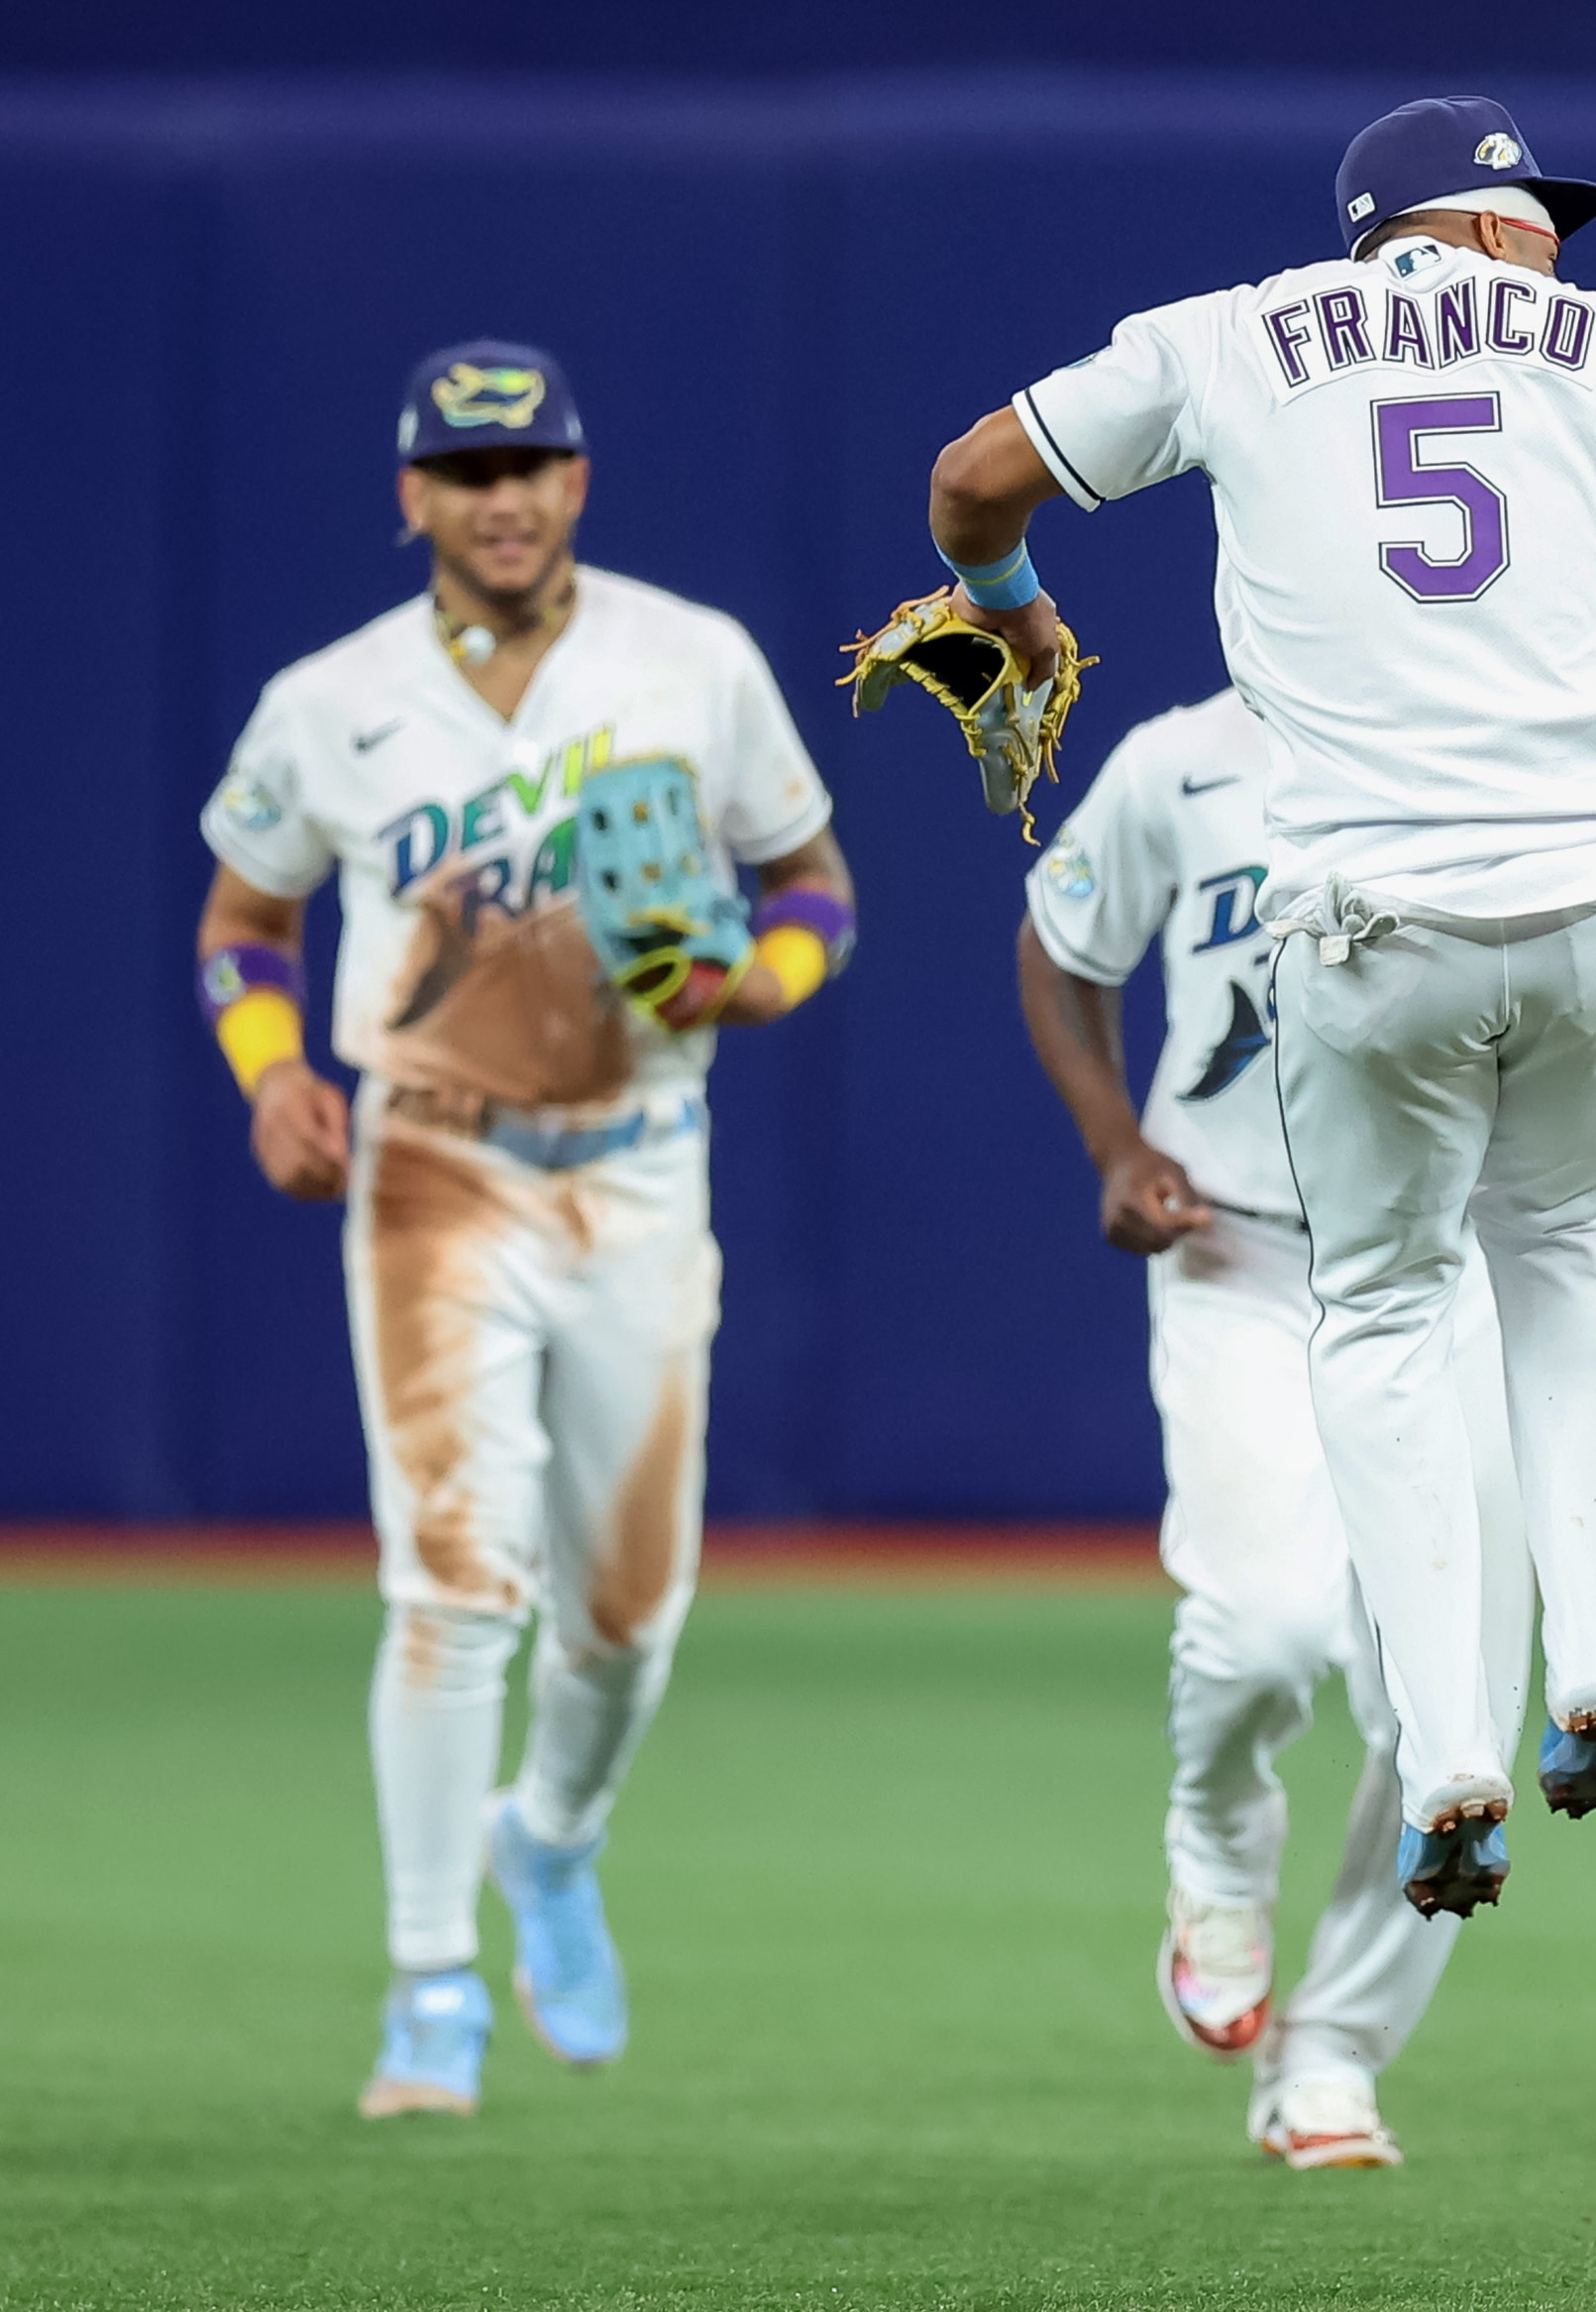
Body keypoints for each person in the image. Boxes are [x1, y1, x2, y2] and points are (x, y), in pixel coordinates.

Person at [926, 95, 1596, 1917]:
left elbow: (970, 477)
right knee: (1562, 1240)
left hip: (1374, 911)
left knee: (1388, 1307)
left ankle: (1456, 1747)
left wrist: (1013, 614)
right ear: (1460, 227)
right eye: (1532, 213)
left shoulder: (1231, 333)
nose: (1555, 235)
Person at [195, 341, 856, 2119]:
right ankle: (429, 1984)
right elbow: (246, 920)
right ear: (414, 495)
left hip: (640, 1156)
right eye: (468, 473)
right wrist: (270, 1073)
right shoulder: (330, 699)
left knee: (631, 1614)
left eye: (534, 465)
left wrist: (765, 984)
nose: (505, 499)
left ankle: (547, 1839)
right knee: (455, 1586)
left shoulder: (692, 659)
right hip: (433, 1165)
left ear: (577, 480)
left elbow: (813, 882)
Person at [1014, 686, 1596, 2168]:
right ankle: (1216, 1837)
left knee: (1440, 1701)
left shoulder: (1521, 753)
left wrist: (1539, 1099)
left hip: (1448, 1271)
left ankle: (1333, 2049)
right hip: (1238, 1259)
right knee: (1259, 1628)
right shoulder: (1178, 762)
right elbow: (1061, 947)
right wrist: (1115, 1141)